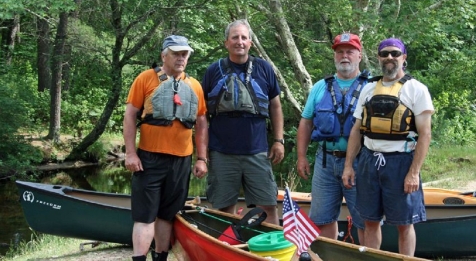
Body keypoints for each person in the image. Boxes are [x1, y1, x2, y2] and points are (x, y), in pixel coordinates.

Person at [342, 38, 434, 256]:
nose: (389, 58)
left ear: (404, 58)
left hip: (401, 162)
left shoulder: (416, 89)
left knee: (404, 223)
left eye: (395, 53)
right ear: (379, 58)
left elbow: (425, 134)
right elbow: (356, 129)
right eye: (384, 54)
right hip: (369, 161)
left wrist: (414, 172)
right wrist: (348, 166)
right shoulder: (368, 88)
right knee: (370, 220)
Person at [123, 35, 208, 261]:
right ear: (164, 55)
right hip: (149, 158)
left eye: (185, 54)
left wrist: (201, 158)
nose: (181, 58)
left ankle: (160, 257)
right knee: (145, 216)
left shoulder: (195, 86)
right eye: (176, 53)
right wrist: (130, 153)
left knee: (168, 215)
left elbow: (201, 124)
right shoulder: (145, 79)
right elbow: (130, 116)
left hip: (181, 160)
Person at [202, 19, 284, 225]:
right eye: (235, 37)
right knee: (222, 206)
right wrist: (202, 154)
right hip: (221, 151)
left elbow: (275, 106)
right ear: (226, 43)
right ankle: (223, 249)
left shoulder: (264, 68)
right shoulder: (213, 70)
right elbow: (201, 116)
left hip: (257, 150)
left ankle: (268, 253)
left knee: (268, 205)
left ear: (251, 43)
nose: (240, 41)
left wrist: (279, 140)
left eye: (244, 38)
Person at [296, 33, 367, 243]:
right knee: (322, 218)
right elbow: (306, 122)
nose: (345, 56)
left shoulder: (371, 86)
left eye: (350, 52)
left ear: (359, 56)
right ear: (335, 56)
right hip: (325, 161)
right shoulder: (320, 86)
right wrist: (301, 157)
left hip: (360, 162)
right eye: (340, 52)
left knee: (365, 220)